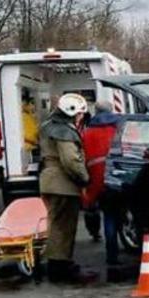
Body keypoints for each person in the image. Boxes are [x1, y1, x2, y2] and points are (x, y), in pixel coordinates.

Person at [39, 93, 90, 283]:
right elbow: (71, 161)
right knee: (63, 226)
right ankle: (59, 266)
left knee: (57, 224)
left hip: (50, 181)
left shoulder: (48, 126)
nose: (81, 118)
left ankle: (59, 263)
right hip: (62, 184)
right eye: (80, 114)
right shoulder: (64, 132)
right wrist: (84, 178)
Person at [81, 101, 121, 264]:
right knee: (124, 214)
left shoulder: (87, 132)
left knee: (109, 216)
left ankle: (112, 255)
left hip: (98, 179)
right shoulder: (120, 128)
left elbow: (83, 157)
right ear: (111, 110)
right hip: (119, 175)